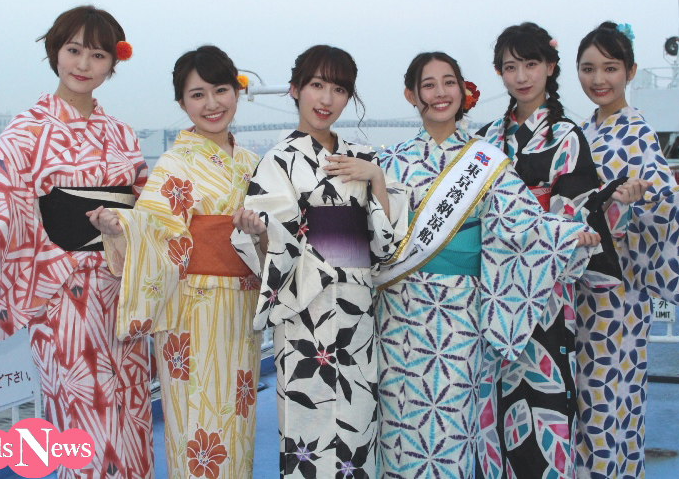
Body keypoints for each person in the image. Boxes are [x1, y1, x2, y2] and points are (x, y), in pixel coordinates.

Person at [0, 5, 153, 479]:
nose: (83, 64)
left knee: (131, 411)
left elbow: (147, 204)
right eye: (74, 50)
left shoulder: (122, 134)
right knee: (83, 416)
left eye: (97, 55)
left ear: (114, 62)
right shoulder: (27, 129)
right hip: (63, 295)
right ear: (55, 52)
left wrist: (128, 226)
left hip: (121, 288)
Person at [375, 51, 598, 479]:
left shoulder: (486, 160)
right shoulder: (391, 162)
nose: (440, 93)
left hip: (461, 312)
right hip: (399, 313)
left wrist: (566, 235)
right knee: (398, 423)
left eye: (449, 82)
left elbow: (521, 222)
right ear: (411, 95)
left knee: (455, 423)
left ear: (463, 91)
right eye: (428, 85)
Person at [474, 22, 648, 479]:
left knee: (544, 400)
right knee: (492, 406)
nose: (521, 77)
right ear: (499, 72)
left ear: (551, 67)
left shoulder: (567, 136)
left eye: (531, 64)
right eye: (510, 67)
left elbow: (576, 212)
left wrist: (577, 223)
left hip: (544, 291)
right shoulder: (487, 139)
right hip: (492, 289)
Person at [231, 45, 408, 478]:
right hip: (304, 313)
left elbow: (386, 248)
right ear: (295, 89)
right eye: (316, 85)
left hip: (357, 313)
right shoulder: (277, 161)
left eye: (339, 89)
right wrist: (258, 230)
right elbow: (272, 243)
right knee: (306, 427)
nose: (327, 99)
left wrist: (376, 179)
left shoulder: (363, 159)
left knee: (357, 425)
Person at [88, 45, 261, 479]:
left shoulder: (254, 163)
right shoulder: (174, 163)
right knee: (196, 424)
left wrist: (260, 233)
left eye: (220, 90)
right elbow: (152, 228)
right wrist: (120, 228)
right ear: (182, 103)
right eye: (197, 94)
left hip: (243, 310)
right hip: (192, 313)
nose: (211, 104)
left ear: (236, 93)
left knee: (238, 424)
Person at [574, 21, 679, 478]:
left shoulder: (636, 132)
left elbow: (662, 199)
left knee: (606, 395)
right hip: (579, 284)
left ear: (631, 71)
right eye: (588, 68)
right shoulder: (584, 130)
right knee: (590, 395)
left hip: (616, 290)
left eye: (610, 68)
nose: (599, 79)